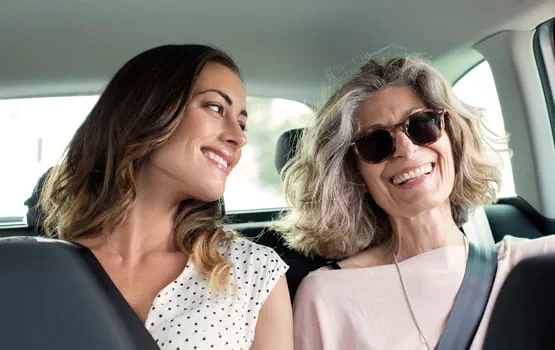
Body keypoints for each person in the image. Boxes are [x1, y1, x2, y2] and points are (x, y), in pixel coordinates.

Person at [275, 56, 555, 349]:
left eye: (422, 125)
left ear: (454, 139)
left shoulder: (536, 264)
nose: (406, 149)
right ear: (354, 175)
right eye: (376, 142)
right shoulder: (326, 297)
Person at [39, 44, 293, 350]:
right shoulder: (38, 273)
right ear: (148, 109)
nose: (239, 137)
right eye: (215, 107)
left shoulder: (253, 271)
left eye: (241, 122)